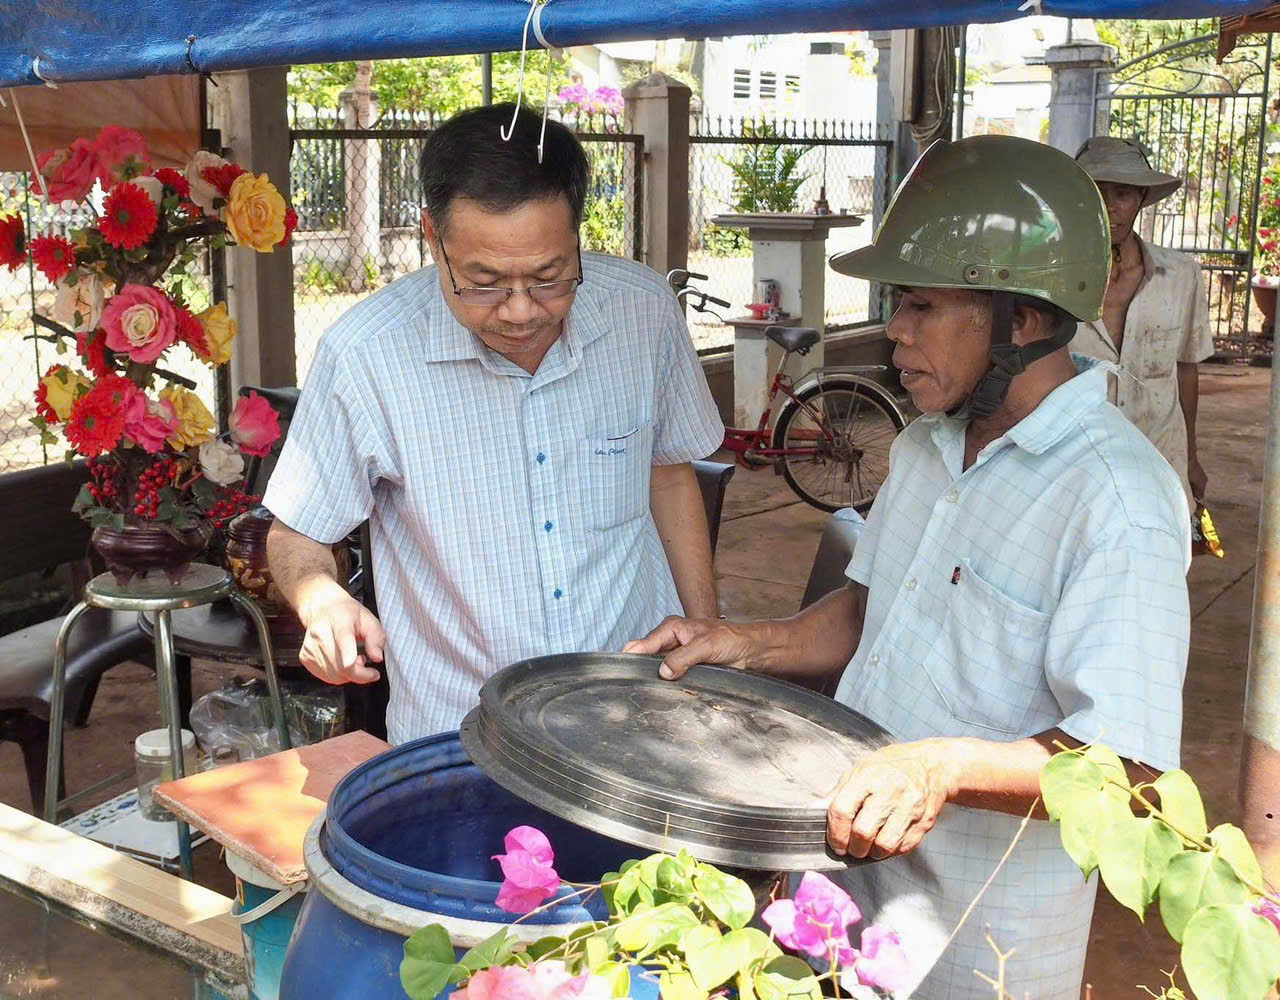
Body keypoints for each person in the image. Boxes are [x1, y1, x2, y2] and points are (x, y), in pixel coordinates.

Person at [626, 135, 1191, 1000]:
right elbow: (863, 616)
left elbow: (1124, 767)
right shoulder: (929, 444)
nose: (894, 332)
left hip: (979, 940)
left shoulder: (1116, 498)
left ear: (1024, 320)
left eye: (921, 305)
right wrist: (735, 643)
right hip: (849, 889)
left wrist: (940, 766)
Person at [264, 103, 724, 744]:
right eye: (482, 282)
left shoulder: (643, 314)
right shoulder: (366, 355)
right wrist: (322, 602)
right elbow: (297, 535)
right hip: (458, 732)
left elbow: (671, 477)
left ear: (577, 234)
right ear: (433, 236)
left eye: (549, 277)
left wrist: (707, 634)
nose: (518, 311)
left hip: (634, 710)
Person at [1071, 135, 1215, 507]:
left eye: (1122, 193)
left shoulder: (1180, 275)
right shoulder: (1050, 279)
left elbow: (1185, 369)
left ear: (1140, 200)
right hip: (1075, 461)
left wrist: (1192, 457)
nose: (1110, 207)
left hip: (1159, 455)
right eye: (1097, 192)